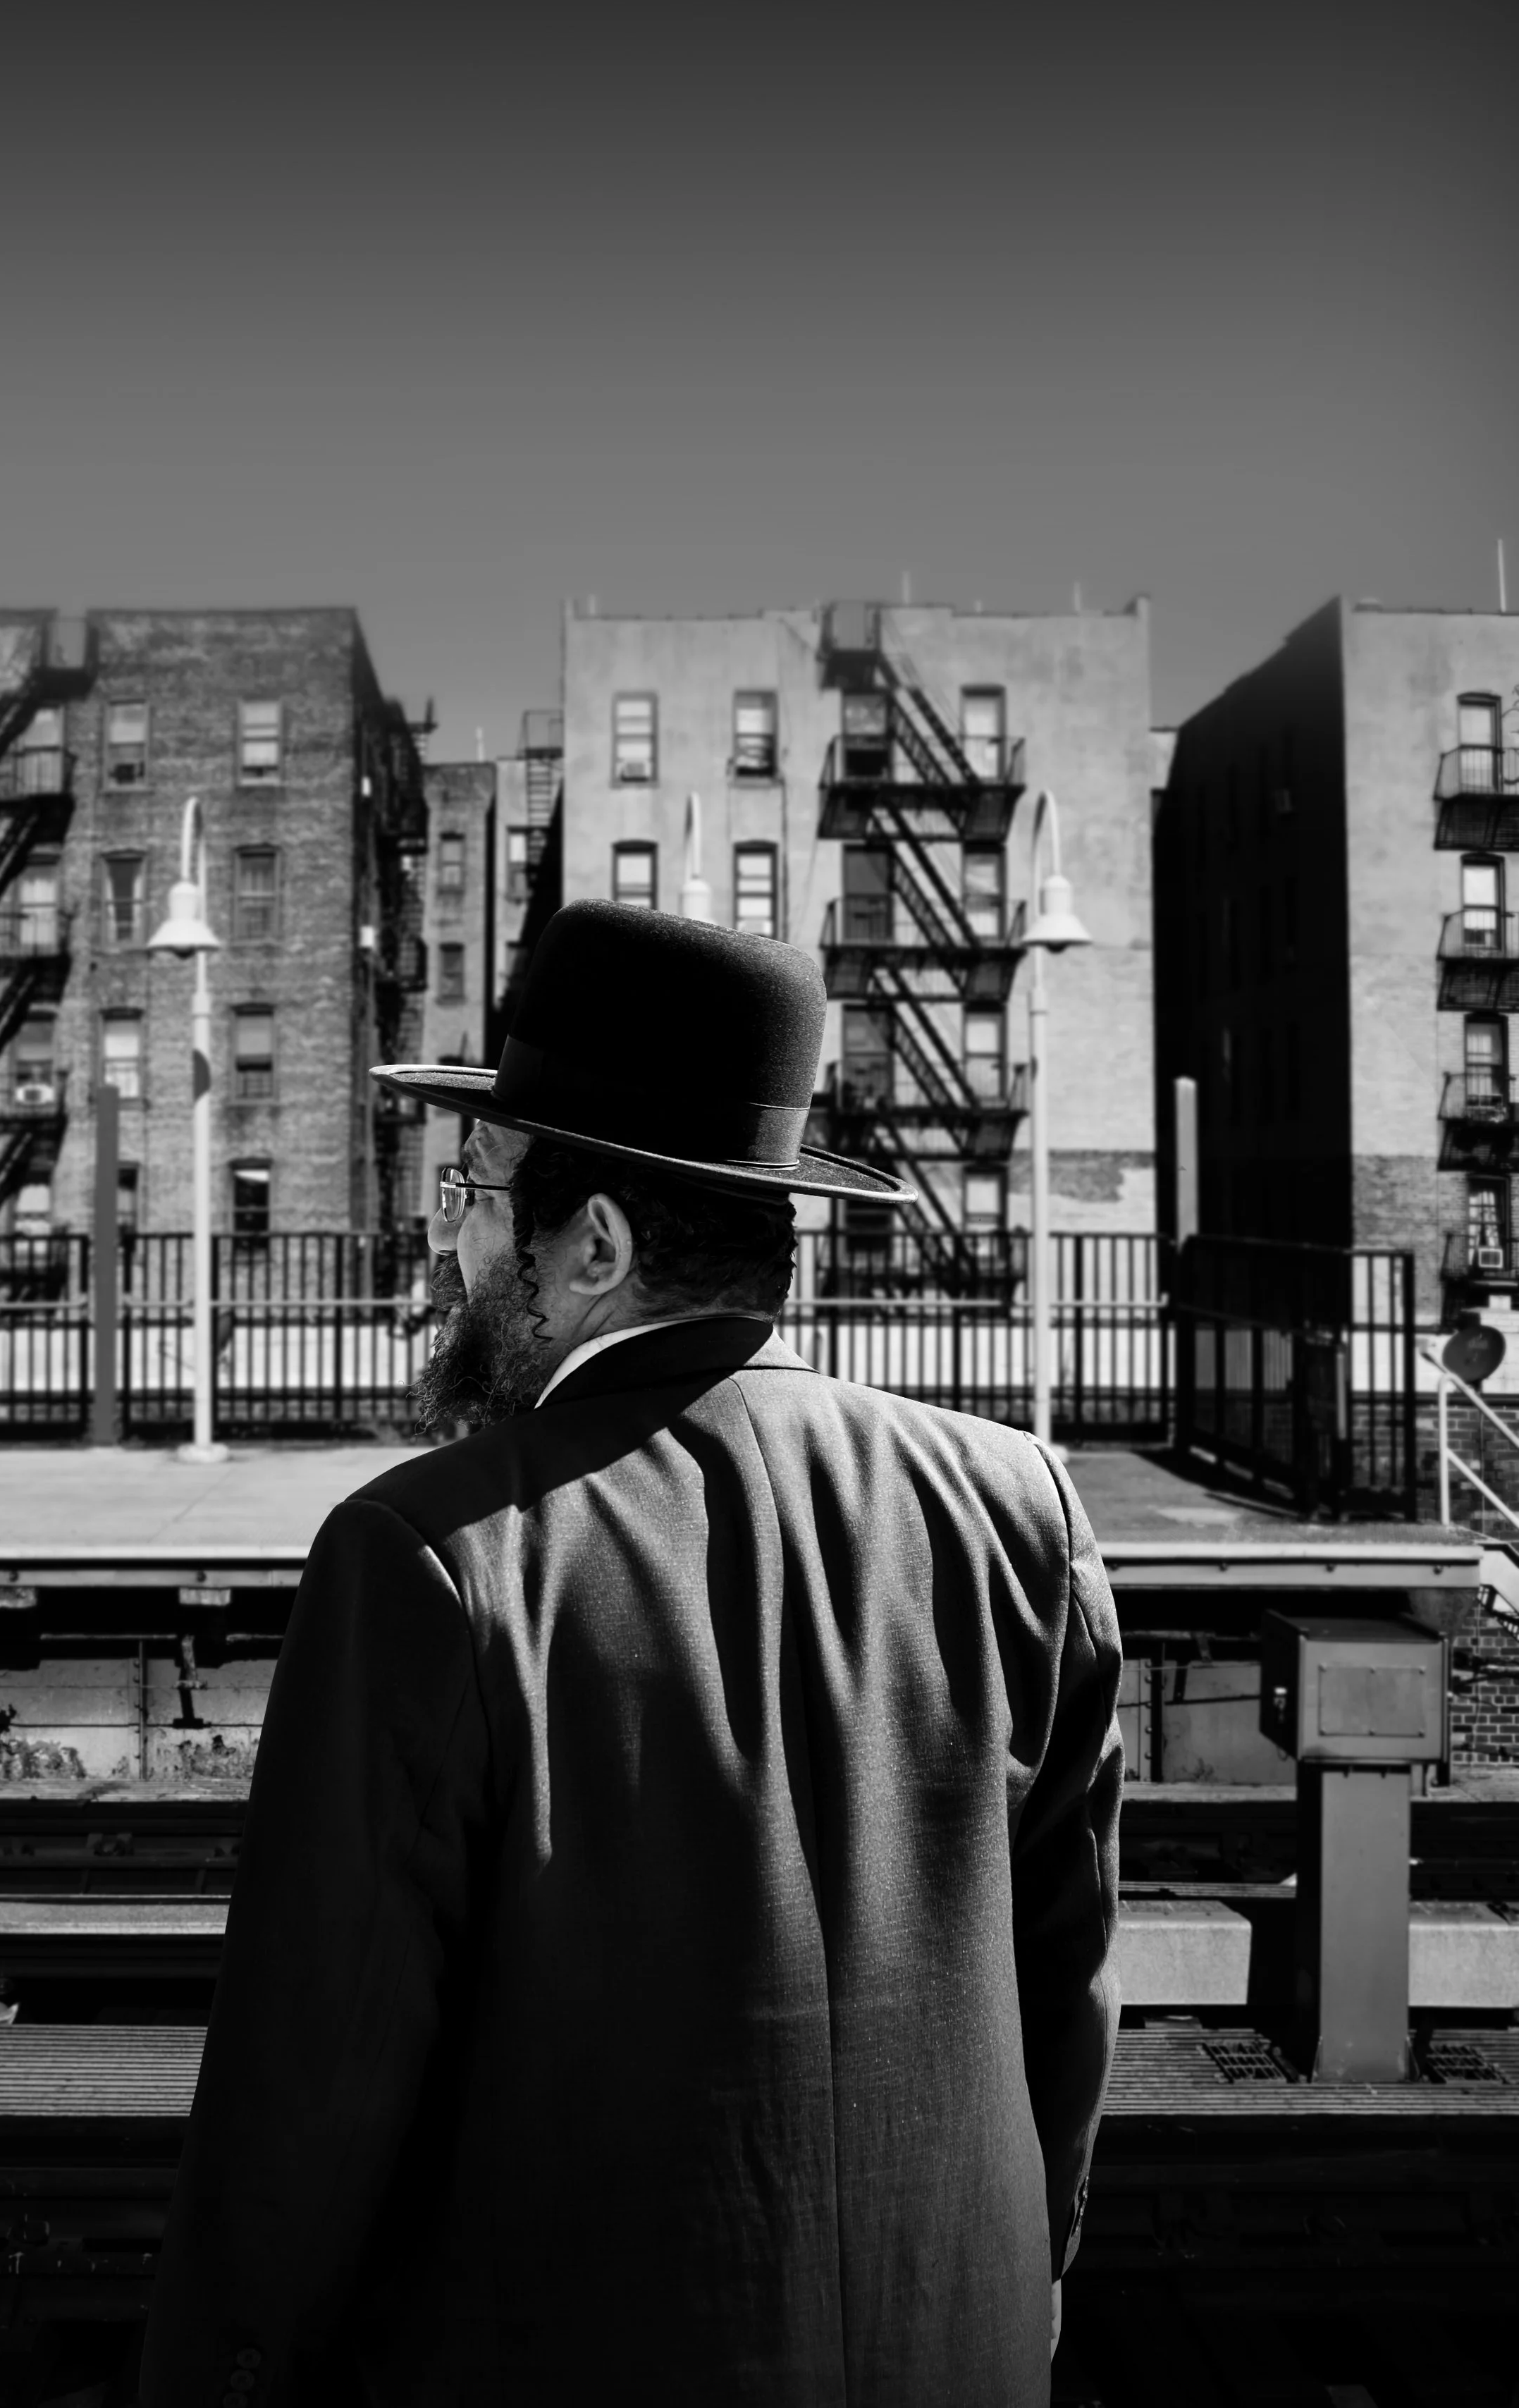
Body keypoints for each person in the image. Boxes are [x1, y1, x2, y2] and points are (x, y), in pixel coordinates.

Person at [140, 900, 1121, 2407]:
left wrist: (225, 2372)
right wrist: (1032, 2276)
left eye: (473, 1190)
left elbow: (315, 2084)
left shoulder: (430, 1553)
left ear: (588, 1241)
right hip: (966, 2344)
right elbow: (1067, 1976)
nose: (449, 1236)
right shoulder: (1017, 1505)